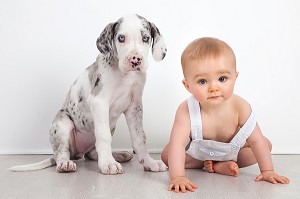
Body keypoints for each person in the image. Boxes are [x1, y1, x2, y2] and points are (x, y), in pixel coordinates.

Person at [161, 37, 290, 193]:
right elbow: (178, 144)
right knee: (168, 154)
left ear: (235, 77)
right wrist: (178, 176)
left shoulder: (240, 107)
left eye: (222, 79)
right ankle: (209, 164)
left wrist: (267, 170)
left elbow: (255, 140)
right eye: (202, 81)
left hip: (232, 151)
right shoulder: (186, 110)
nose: (214, 87)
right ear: (188, 85)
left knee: (265, 144)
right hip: (200, 154)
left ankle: (219, 164)